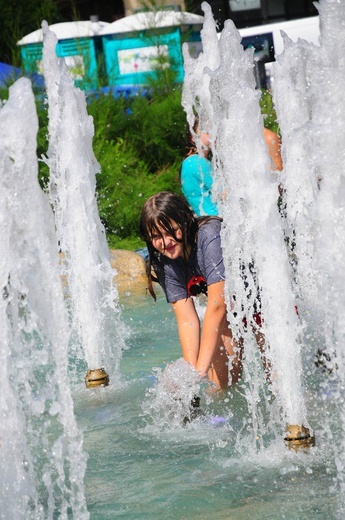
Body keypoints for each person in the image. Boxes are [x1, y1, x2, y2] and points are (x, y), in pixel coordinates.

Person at [140, 191, 243, 390]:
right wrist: (191, 376)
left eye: (171, 231)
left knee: (278, 379)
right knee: (221, 385)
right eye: (156, 236)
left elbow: (217, 307)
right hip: (232, 309)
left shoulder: (210, 236)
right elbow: (187, 321)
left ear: (186, 221)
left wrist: (200, 371)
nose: (165, 242)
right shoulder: (163, 259)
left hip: (265, 304)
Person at [180, 118, 218, 217]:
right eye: (207, 131)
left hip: (207, 221)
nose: (213, 133)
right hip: (216, 222)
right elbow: (224, 193)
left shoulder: (190, 161)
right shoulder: (196, 162)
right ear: (193, 137)